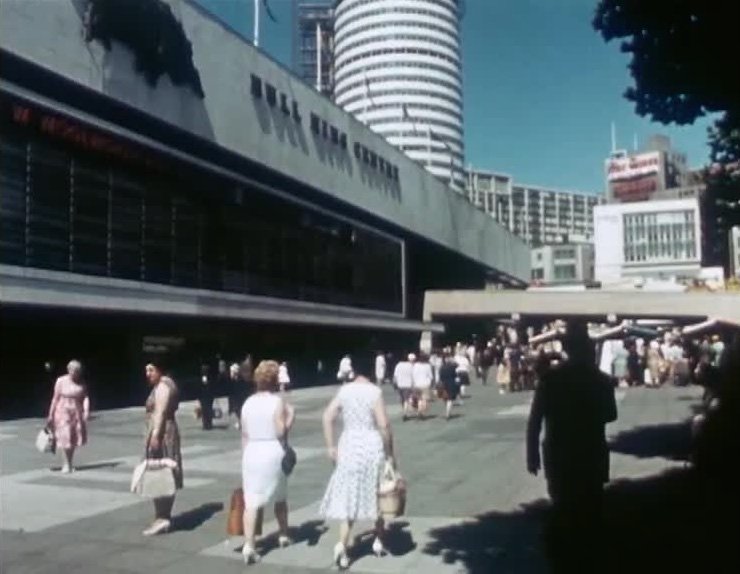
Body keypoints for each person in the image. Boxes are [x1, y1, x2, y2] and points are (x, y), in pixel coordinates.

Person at [526, 321, 617, 572]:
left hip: (558, 450)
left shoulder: (550, 379)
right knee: (590, 505)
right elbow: (611, 415)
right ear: (588, 351)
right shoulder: (601, 380)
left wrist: (531, 454)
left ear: (567, 350)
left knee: (562, 502)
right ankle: (587, 557)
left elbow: (535, 419)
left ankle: (563, 559)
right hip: (590, 449)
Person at [320, 368, 395, 570]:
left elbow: (327, 417)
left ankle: (342, 544)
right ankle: (378, 540)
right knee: (378, 492)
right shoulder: (374, 392)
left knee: (349, 498)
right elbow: (384, 424)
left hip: (349, 445)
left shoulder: (345, 391)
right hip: (371, 445)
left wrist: (330, 446)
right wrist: (390, 453)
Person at [240, 360, 295, 564]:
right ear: (274, 380)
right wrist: (291, 418)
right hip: (272, 450)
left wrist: (244, 456)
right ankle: (283, 534)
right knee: (280, 495)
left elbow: (244, 434)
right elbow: (281, 431)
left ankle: (249, 544)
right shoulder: (277, 402)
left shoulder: (248, 403)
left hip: (252, 451)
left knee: (251, 501)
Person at [142, 361, 183, 536]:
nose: (148, 373)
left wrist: (156, 434)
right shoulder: (165, 384)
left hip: (163, 432)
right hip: (165, 430)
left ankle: (163, 517)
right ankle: (162, 516)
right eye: (146, 370)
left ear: (160, 369)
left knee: (160, 471)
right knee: (163, 471)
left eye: (151, 369)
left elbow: (160, 411)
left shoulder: (163, 386)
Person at [47, 360, 89, 473]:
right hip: (62, 412)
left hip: (76, 412)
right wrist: (50, 414)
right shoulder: (61, 381)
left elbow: (85, 397)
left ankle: (70, 463)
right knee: (65, 438)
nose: (75, 373)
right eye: (73, 370)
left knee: (73, 438)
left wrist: (86, 411)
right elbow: (55, 398)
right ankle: (65, 465)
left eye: (78, 371)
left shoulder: (81, 382)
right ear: (68, 369)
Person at [393, 353, 416, 420]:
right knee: (406, 399)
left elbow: (395, 376)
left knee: (402, 399)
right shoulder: (410, 366)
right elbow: (413, 375)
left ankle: (404, 410)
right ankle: (405, 413)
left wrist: (395, 384)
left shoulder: (398, 365)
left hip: (400, 384)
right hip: (408, 384)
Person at [438, 349, 460, 420]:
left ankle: (447, 411)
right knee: (450, 399)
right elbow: (456, 371)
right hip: (451, 383)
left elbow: (440, 376)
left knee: (445, 398)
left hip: (443, 384)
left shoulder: (441, 368)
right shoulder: (452, 367)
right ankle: (448, 413)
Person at [412, 353, 434, 420]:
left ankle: (419, 411)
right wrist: (430, 383)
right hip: (425, 384)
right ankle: (422, 413)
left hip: (417, 384)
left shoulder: (415, 365)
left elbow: (413, 374)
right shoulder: (427, 366)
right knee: (424, 399)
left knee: (419, 399)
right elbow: (430, 376)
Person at [227, 363, 247, 429]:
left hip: (240, 397)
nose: (232, 372)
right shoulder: (230, 379)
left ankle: (241, 422)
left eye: (233, 371)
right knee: (236, 410)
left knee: (239, 410)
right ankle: (240, 422)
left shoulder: (241, 379)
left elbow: (243, 387)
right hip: (233, 397)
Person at [198, 363, 214, 430]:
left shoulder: (203, 377)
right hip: (209, 395)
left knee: (205, 409)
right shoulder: (210, 377)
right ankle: (208, 423)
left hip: (204, 395)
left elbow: (204, 385)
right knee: (208, 409)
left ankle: (206, 424)